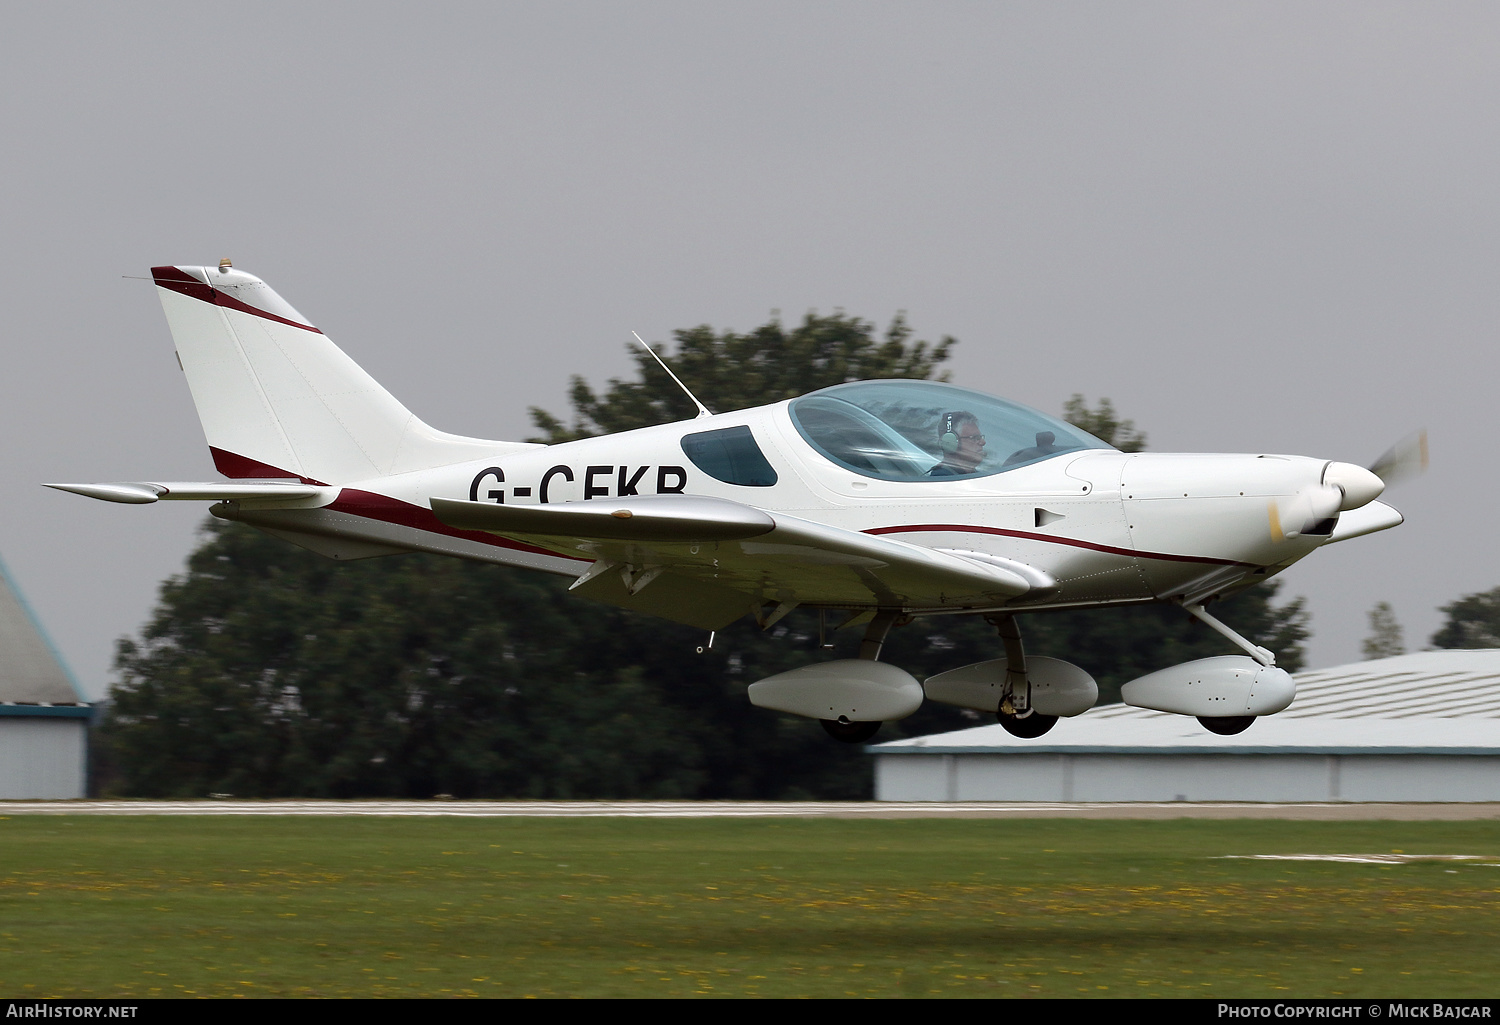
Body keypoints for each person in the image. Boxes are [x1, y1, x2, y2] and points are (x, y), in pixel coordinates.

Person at [928, 410, 986, 476]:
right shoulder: (943, 479)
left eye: (980, 437)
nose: (983, 442)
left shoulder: (976, 476)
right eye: (975, 438)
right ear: (951, 443)